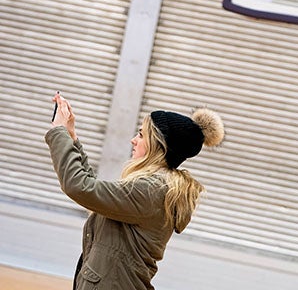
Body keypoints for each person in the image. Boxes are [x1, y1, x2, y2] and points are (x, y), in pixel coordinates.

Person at [45, 93, 225, 290]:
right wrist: (71, 138)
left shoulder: (151, 190)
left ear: (158, 145)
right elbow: (94, 191)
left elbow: (80, 187)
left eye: (141, 135)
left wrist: (59, 133)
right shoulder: (153, 187)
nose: (133, 140)